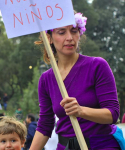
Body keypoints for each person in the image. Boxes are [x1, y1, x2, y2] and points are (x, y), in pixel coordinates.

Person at [29, 12, 121, 150]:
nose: (69, 38)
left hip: (101, 145)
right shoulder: (45, 79)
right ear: (49, 38)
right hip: (65, 146)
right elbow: (45, 125)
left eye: (74, 31)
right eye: (61, 32)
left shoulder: (97, 65)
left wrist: (81, 111)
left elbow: (112, 114)